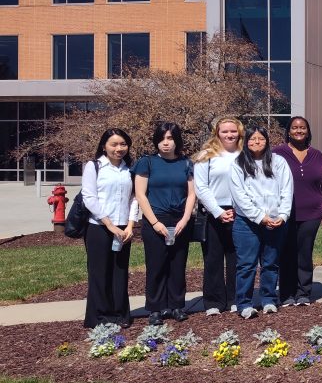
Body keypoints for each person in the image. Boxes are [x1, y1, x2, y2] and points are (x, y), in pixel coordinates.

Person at [134, 122, 195, 325]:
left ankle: (177, 305)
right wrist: (155, 223)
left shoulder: (186, 163)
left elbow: (191, 194)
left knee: (178, 264)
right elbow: (141, 195)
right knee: (156, 265)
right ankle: (155, 308)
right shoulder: (147, 162)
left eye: (170, 138)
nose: (166, 143)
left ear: (177, 140)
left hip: (179, 220)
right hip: (155, 219)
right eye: (162, 139)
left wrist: (185, 219)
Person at [230, 125, 293, 318]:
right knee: (246, 265)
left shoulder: (279, 162)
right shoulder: (238, 164)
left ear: (267, 141)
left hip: (275, 222)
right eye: (252, 139)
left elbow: (287, 190)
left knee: (270, 263)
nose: (257, 142)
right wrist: (260, 217)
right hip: (247, 223)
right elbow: (239, 196)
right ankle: (244, 303)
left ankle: (268, 299)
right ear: (246, 142)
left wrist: (282, 216)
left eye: (261, 139)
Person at [81, 128, 139, 328]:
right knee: (99, 272)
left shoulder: (129, 168)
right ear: (104, 146)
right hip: (99, 227)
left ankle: (120, 314)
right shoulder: (94, 166)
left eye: (123, 144)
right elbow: (89, 198)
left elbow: (134, 198)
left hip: (124, 228)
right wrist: (109, 224)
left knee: (119, 271)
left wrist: (131, 224)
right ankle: (100, 316)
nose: (119, 148)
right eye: (114, 144)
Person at [193, 116, 243, 316]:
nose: (229, 135)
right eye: (225, 131)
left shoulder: (245, 154)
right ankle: (213, 301)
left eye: (233, 131)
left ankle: (234, 298)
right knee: (213, 258)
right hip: (213, 211)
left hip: (240, 210)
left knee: (236, 259)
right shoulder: (206, 155)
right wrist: (218, 211)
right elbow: (201, 187)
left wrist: (241, 208)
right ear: (217, 133)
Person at [274, 116, 322, 307]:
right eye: (295, 127)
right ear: (288, 131)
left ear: (308, 131)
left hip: (312, 212)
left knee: (305, 252)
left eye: (302, 127)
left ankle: (304, 292)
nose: (298, 130)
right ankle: (286, 293)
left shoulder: (317, 155)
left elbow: (321, 182)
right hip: (285, 212)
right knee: (286, 252)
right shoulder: (278, 153)